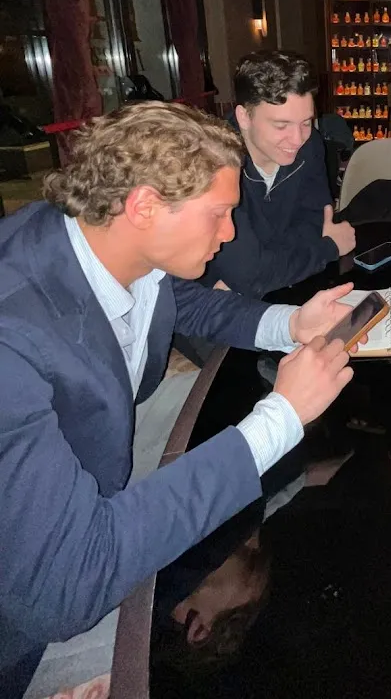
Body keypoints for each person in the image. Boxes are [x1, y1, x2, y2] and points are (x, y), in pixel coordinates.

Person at [0, 102, 357, 697]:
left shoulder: (93, 234)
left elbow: (175, 299)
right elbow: (66, 589)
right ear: (144, 206)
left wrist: (289, 323)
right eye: (218, 214)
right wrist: (282, 417)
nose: (230, 232)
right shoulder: (12, 337)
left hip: (93, 496)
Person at [202, 50, 356, 297]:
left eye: (306, 122)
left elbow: (314, 222)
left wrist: (261, 266)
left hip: (284, 291)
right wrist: (329, 247)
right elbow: (250, 276)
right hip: (212, 307)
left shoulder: (310, 146)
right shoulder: (212, 164)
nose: (297, 139)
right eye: (281, 125)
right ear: (244, 117)